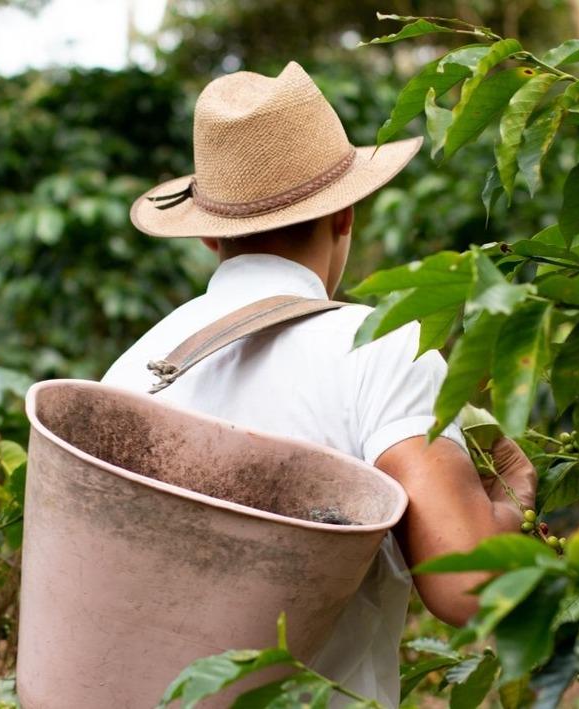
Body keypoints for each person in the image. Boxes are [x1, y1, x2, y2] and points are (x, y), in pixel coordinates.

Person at [101, 61, 537, 707]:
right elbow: (467, 583)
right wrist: (514, 502)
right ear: (345, 215)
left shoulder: (129, 372)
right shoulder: (381, 346)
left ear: (209, 236)